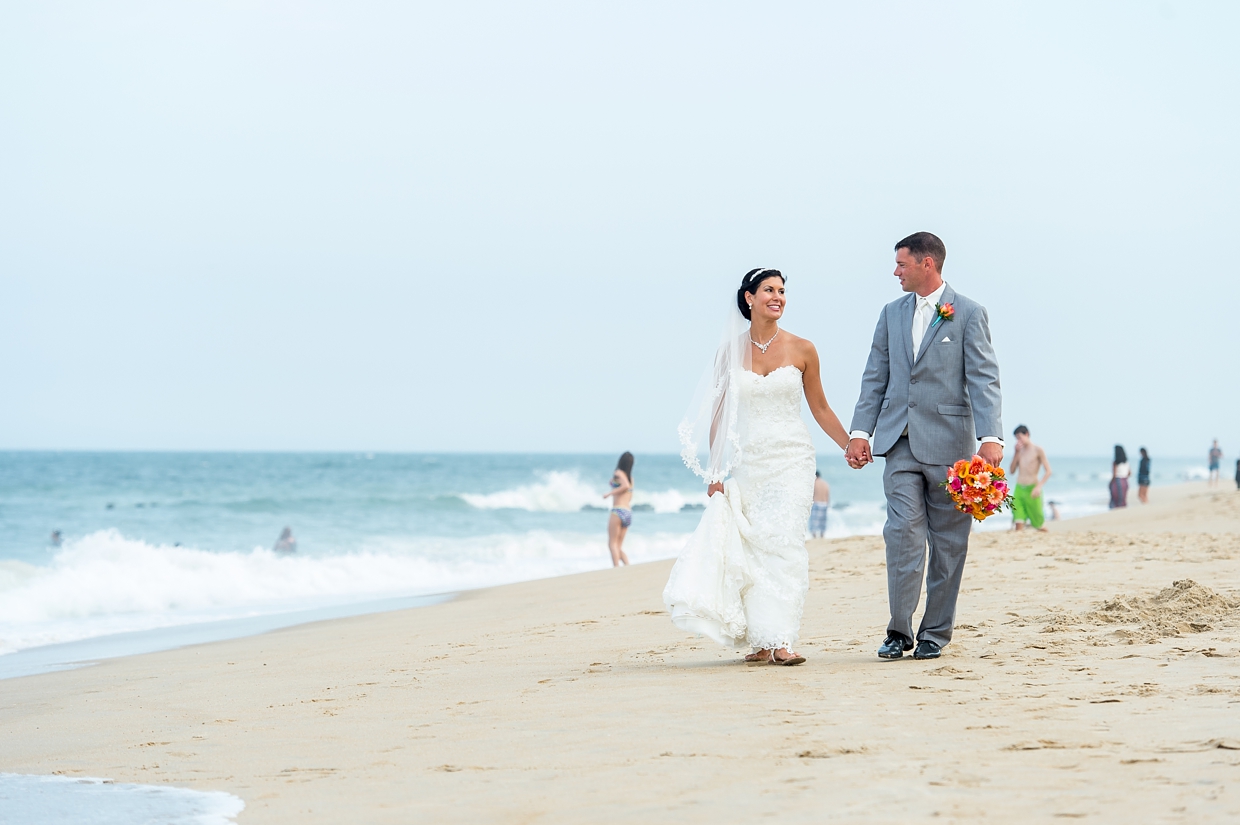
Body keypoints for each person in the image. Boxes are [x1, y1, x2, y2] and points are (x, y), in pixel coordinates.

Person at [665, 267, 851, 667]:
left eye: (782, 291)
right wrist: (715, 473)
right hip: (749, 461)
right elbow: (718, 415)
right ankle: (761, 641)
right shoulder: (729, 353)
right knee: (754, 547)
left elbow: (819, 407)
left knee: (784, 544)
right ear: (748, 298)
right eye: (769, 290)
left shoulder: (803, 349)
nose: (778, 297)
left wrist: (849, 444)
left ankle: (782, 640)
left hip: (793, 459)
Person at [844, 232, 1003, 662]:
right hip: (898, 443)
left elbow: (983, 379)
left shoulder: (968, 313)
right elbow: (874, 375)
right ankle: (899, 630)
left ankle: (935, 632)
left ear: (927, 264)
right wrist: (861, 431)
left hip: (951, 448)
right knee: (902, 535)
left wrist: (991, 439)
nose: (895, 272)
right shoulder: (890, 314)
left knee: (950, 545)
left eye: (901, 264)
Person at [1008, 425, 1052, 532]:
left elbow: (1048, 471)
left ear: (1027, 434)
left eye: (1019, 437)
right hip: (1019, 488)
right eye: (1016, 438)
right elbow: (1012, 471)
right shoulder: (1019, 451)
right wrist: (1016, 452)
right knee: (1018, 520)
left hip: (1032, 488)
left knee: (1038, 523)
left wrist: (1038, 487)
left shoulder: (1038, 450)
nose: (1018, 440)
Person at [601, 452, 634, 567]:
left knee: (612, 544)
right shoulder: (631, 479)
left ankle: (616, 569)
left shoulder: (618, 473)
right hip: (628, 512)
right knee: (618, 546)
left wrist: (609, 493)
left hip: (618, 511)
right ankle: (628, 566)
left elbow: (625, 486)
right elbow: (630, 494)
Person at [809, 471, 830, 539]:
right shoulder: (825, 484)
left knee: (814, 522)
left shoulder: (814, 483)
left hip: (816, 503)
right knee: (822, 522)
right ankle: (822, 536)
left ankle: (814, 537)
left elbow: (811, 495)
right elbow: (827, 496)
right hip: (824, 504)